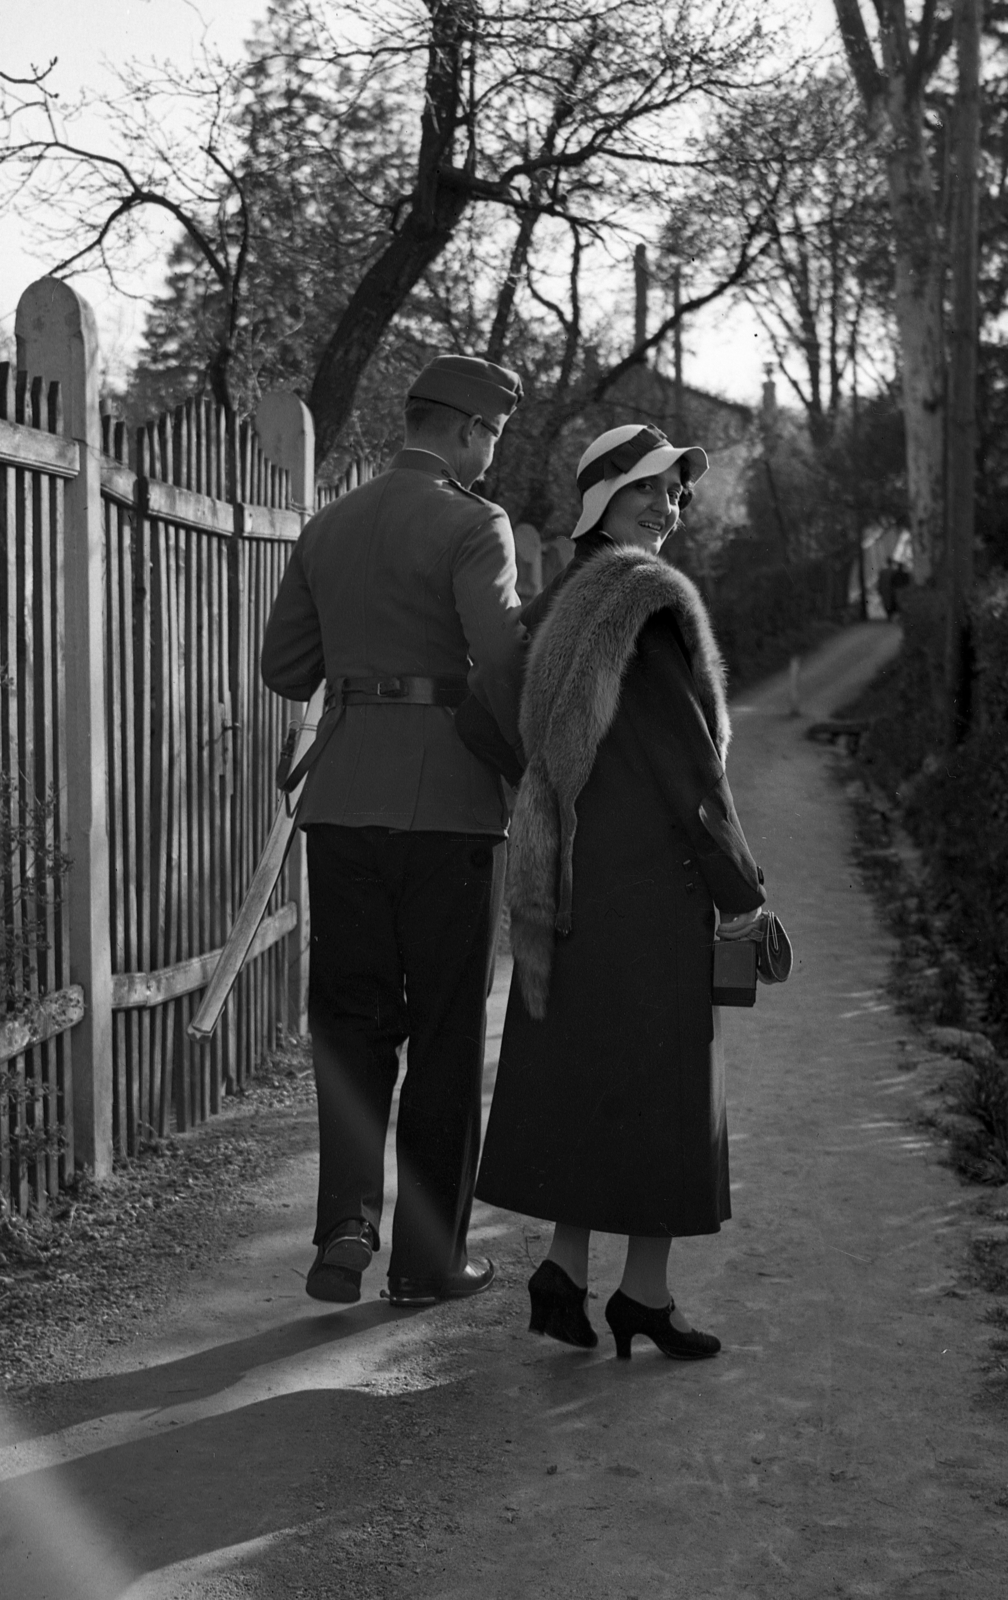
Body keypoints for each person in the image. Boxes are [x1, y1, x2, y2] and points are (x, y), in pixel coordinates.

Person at [475, 423, 767, 1360]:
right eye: (650, 488)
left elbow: (494, 710)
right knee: (661, 1093)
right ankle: (644, 1296)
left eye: (676, 496)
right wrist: (740, 885)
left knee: (586, 1077)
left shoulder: (559, 598)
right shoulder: (645, 601)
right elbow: (690, 768)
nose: (668, 509)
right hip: (649, 890)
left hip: (568, 878)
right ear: (602, 491)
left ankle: (566, 1268)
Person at [261, 354, 527, 1309]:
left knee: (350, 1027)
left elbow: (285, 667)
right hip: (450, 808)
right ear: (464, 432)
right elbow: (501, 662)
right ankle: (425, 1261)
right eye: (490, 438)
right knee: (448, 1033)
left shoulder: (328, 524)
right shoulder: (473, 523)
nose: (491, 457)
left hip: (339, 804)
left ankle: (342, 1228)